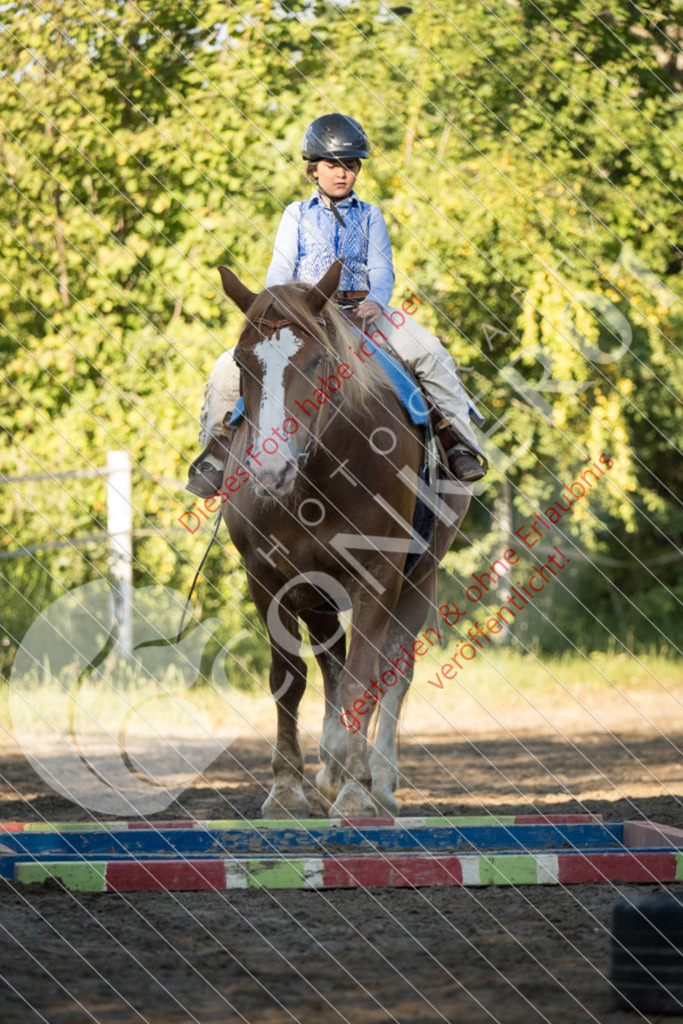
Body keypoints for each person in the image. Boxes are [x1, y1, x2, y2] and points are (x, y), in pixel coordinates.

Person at [187, 113, 487, 497]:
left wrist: (377, 302)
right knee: (227, 368)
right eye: (332, 165)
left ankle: (458, 440)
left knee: (429, 351)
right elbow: (280, 270)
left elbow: (382, 268)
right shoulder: (295, 214)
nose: (342, 173)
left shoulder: (370, 215)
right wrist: (281, 310)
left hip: (361, 313)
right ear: (314, 170)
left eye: (350, 165)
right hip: (304, 318)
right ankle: (219, 449)